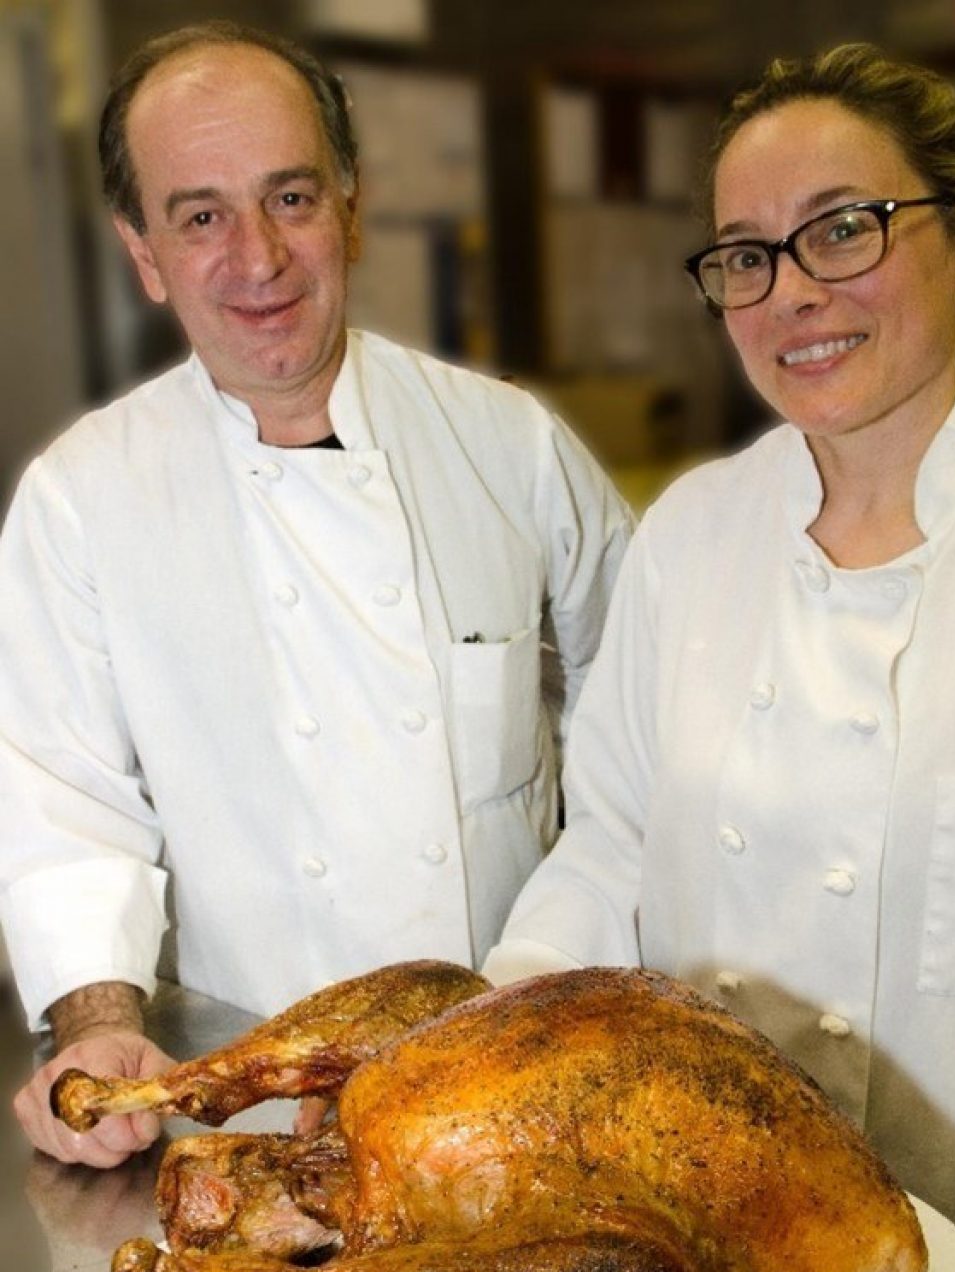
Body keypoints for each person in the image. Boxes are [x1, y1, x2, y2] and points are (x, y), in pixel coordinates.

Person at [0, 22, 631, 1167]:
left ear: (350, 205)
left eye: (289, 197)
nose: (259, 258)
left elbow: (634, 718)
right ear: (143, 253)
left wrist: (575, 964)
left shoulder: (510, 445)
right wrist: (101, 1024)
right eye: (200, 217)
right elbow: (61, 798)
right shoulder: (81, 499)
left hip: (514, 1086)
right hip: (244, 1107)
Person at [484, 42, 955, 1260]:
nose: (791, 294)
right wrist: (507, 1019)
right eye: (746, 256)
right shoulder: (694, 532)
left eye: (842, 230)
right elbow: (612, 838)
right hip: (703, 1236)